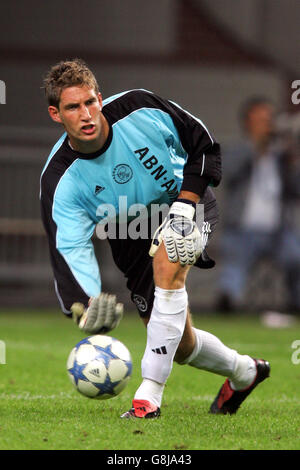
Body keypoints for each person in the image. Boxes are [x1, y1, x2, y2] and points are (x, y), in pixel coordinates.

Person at [40, 59, 270, 419]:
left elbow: (205, 146)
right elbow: (68, 246)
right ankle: (246, 372)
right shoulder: (60, 180)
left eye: (90, 102)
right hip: (128, 235)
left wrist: (185, 205)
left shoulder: (139, 107)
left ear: (100, 98)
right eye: (73, 107)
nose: (86, 114)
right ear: (56, 114)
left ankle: (148, 398)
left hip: (184, 202)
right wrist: (83, 302)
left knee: (167, 262)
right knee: (179, 344)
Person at [217, 97, 300, 315]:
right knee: (234, 265)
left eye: (269, 120)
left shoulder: (282, 157)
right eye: (261, 120)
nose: (267, 125)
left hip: (278, 232)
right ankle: (227, 302)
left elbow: (296, 190)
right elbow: (227, 172)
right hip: (242, 231)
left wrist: (293, 160)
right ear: (248, 123)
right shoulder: (236, 150)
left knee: (296, 257)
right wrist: (255, 146)